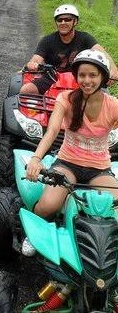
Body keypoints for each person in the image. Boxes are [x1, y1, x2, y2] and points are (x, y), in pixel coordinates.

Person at [23, 49, 118, 256]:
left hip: (99, 169)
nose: (87, 80)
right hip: (68, 163)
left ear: (102, 77)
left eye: (93, 75)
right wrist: (36, 158)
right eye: (82, 75)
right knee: (48, 205)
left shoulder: (113, 105)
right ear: (76, 76)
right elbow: (52, 131)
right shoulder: (65, 98)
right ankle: (34, 233)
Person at [21, 4, 118, 94]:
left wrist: (113, 69)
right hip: (52, 76)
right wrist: (33, 64)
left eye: (67, 19)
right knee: (26, 90)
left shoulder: (85, 38)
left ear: (75, 21)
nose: (63, 22)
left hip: (80, 78)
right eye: (59, 20)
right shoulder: (47, 40)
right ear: (56, 22)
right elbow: (37, 59)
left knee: (105, 97)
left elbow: (102, 52)